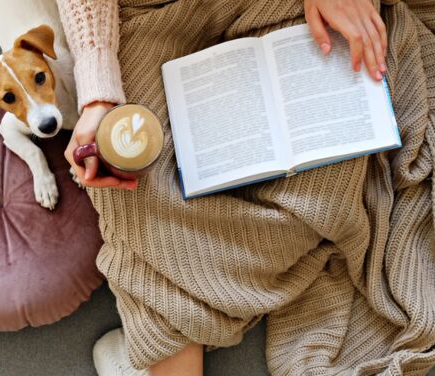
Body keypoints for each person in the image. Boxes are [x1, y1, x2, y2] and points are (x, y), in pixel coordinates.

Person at [56, 0, 387, 375]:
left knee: (327, 179)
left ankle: (160, 339)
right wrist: (98, 90)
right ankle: (169, 335)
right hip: (150, 19)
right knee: (126, 171)